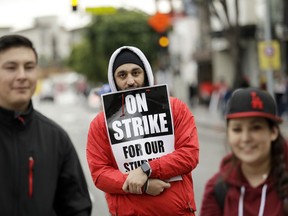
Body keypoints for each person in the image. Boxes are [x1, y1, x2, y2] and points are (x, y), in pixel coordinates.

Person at [86, 46, 199, 215]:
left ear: (146, 73)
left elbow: (189, 154)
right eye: (122, 75)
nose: (130, 81)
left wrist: (146, 169)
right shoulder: (100, 124)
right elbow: (100, 174)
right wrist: (143, 185)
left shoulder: (176, 109)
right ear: (113, 80)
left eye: (136, 72)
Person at [0, 34, 92, 215]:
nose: (22, 76)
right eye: (11, 68)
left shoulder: (56, 138)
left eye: (29, 67)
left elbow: (77, 207)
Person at [200, 87, 288, 216]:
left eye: (256, 128)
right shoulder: (217, 188)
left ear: (273, 132)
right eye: (237, 129)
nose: (245, 138)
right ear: (228, 134)